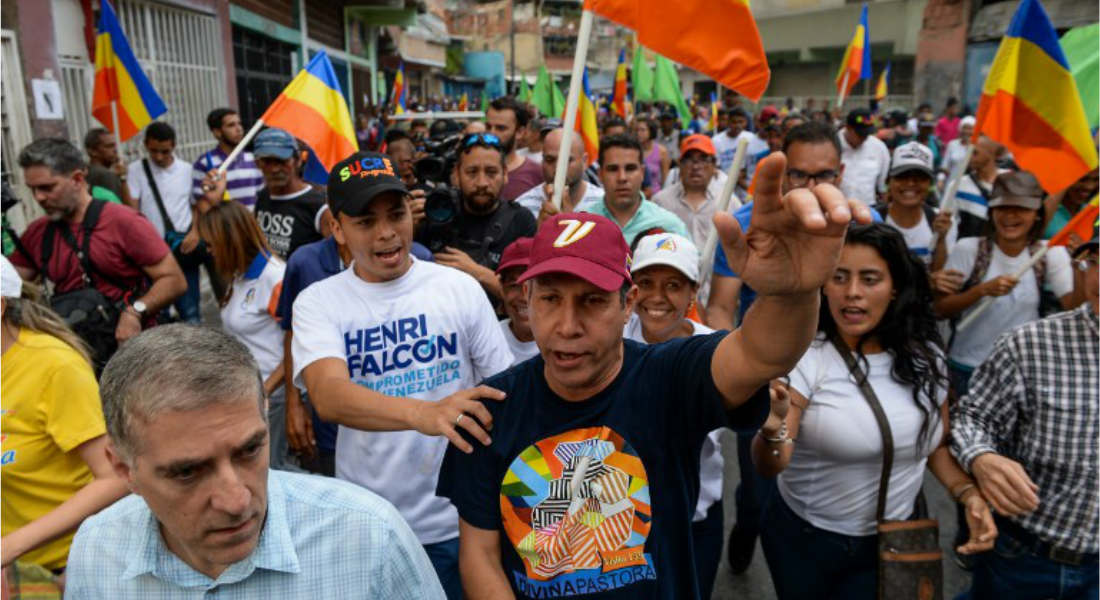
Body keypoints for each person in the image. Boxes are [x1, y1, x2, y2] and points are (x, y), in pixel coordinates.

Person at [436, 150, 873, 599]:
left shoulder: (669, 378)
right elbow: (480, 555)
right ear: (526, 297)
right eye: (550, 299)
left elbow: (762, 354)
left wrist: (791, 293)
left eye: (592, 300)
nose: (567, 326)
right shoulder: (490, 412)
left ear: (629, 302)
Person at [64, 324, 445, 598]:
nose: (236, 501)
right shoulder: (98, 551)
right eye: (186, 472)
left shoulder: (369, 537)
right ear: (122, 468)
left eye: (249, 450)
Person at [292, 151, 514, 599]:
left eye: (396, 215)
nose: (387, 233)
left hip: (462, 524)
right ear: (336, 228)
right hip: (371, 526)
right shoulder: (319, 302)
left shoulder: (458, 288)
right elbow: (329, 396)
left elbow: (504, 389)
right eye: (365, 221)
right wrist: (425, 413)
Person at [753, 223, 996, 599]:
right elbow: (774, 462)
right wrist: (771, 430)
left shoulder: (927, 355)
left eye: (870, 279)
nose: (852, 293)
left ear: (895, 286)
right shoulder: (806, 356)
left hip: (897, 537)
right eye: (839, 277)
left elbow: (936, 446)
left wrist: (969, 496)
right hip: (810, 541)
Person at [951, 237, 1099, 599]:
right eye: (1093, 261)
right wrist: (982, 458)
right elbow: (971, 418)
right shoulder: (1031, 344)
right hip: (1026, 558)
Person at [9, 138, 186, 369]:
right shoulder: (37, 233)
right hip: (75, 357)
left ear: (77, 179)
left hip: (134, 354)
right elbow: (10, 285)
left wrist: (134, 312)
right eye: (32, 189)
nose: (39, 197)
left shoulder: (125, 222)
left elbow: (174, 280)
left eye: (47, 187)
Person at [0, 256, 128, 572]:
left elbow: (115, 477)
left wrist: (10, 546)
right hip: (18, 569)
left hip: (75, 564)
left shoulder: (53, 366)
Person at [623, 232, 726, 599]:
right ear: (631, 290)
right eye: (646, 283)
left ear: (692, 294)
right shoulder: (611, 342)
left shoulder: (716, 352)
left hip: (693, 521)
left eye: (672, 285)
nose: (656, 297)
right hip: (623, 528)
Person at [934, 171, 1078, 398]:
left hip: (1022, 372)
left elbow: (1073, 306)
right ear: (991, 212)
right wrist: (981, 291)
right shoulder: (969, 249)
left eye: (1021, 209)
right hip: (967, 369)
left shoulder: (1049, 253)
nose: (1010, 216)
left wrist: (1081, 268)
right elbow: (940, 309)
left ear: (1037, 214)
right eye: (1003, 208)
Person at [196, 200, 293, 471]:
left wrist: (267, 389)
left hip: (273, 399)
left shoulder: (275, 279)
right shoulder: (240, 276)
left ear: (230, 241)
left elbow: (298, 342)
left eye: (212, 244)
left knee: (273, 471)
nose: (209, 251)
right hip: (254, 393)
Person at [421, 133, 537, 300]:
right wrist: (406, 224)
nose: (482, 183)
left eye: (491, 172)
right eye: (472, 172)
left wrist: (476, 272)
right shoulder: (435, 212)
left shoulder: (521, 221)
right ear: (456, 174)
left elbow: (528, 301)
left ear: (505, 174)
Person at [126, 121, 204, 324]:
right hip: (152, 252)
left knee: (191, 311)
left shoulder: (187, 170)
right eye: (153, 151)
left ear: (174, 146)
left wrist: (195, 232)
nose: (159, 157)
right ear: (145, 145)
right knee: (157, 313)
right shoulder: (136, 170)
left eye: (164, 151)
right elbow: (132, 209)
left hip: (183, 247)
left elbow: (196, 206)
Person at [578, 134, 690, 244]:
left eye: (630, 169)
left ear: (642, 173)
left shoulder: (669, 226)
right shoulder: (581, 225)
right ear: (600, 175)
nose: (622, 178)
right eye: (613, 169)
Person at [250, 127, 331, 259]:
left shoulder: (319, 206)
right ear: (258, 163)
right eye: (267, 162)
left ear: (297, 161)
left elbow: (339, 258)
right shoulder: (263, 196)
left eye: (281, 161)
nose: (274, 169)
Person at [874, 142, 953, 265]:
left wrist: (941, 239)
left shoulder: (939, 222)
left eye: (920, 177)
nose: (910, 183)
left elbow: (938, 273)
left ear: (929, 184)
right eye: (902, 176)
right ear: (889, 181)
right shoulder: (872, 220)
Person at [515, 128, 604, 221]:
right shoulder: (522, 207)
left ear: (584, 161)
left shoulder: (604, 205)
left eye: (566, 160)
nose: (558, 168)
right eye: (550, 160)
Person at [651, 135, 723, 247]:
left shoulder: (727, 202)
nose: (696, 167)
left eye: (703, 159)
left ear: (713, 165)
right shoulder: (660, 203)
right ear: (680, 164)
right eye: (689, 160)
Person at [191, 108, 264, 212]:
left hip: (251, 225)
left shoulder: (253, 160)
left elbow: (261, 197)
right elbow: (199, 204)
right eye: (231, 125)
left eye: (239, 123)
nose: (239, 129)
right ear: (217, 132)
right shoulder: (204, 163)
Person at [486, 97, 543, 202]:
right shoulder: (471, 170)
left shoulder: (537, 174)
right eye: (488, 127)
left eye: (501, 128)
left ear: (520, 132)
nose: (492, 134)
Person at [953, 136, 1007, 239]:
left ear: (991, 153)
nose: (969, 157)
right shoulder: (958, 185)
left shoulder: (1011, 181)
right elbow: (950, 225)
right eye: (968, 151)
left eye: (974, 152)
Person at [496, 237, 539, 366]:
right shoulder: (490, 338)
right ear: (502, 288)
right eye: (514, 285)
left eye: (533, 284)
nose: (524, 297)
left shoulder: (567, 343)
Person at [839, 108, 891, 206]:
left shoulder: (879, 148)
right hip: (837, 208)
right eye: (860, 134)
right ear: (848, 128)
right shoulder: (833, 145)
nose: (864, 138)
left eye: (867, 134)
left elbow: (883, 187)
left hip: (869, 208)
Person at [1042, 167, 1099, 240]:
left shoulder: (1092, 211)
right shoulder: (1040, 210)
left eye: (1096, 180)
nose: (1090, 187)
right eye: (1082, 179)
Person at [82, 128, 133, 207]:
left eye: (115, 146)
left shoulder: (85, 171)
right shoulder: (106, 175)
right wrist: (123, 179)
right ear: (92, 151)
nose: (115, 150)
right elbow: (128, 210)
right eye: (109, 146)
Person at [634, 118, 670, 198]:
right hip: (637, 197)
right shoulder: (633, 151)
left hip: (655, 196)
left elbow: (665, 179)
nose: (639, 133)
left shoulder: (662, 151)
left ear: (651, 131)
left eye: (642, 130)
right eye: (637, 130)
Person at [712, 107, 751, 171]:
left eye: (741, 122)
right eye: (734, 122)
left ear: (746, 122)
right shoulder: (716, 140)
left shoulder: (750, 138)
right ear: (728, 122)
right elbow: (716, 165)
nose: (738, 125)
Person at [941, 116, 975, 180]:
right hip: (950, 181)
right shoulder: (952, 144)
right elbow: (945, 165)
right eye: (964, 128)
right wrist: (941, 179)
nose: (966, 131)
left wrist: (969, 146)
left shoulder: (975, 148)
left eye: (970, 129)